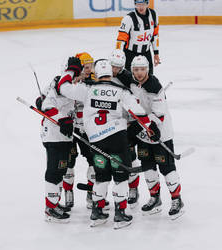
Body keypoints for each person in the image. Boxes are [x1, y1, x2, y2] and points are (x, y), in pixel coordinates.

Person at [56, 57, 154, 229]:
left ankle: (97, 212)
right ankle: (121, 213)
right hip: (117, 139)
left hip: (95, 141)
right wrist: (150, 128)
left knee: (101, 176)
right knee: (121, 176)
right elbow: (138, 112)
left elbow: (63, 88)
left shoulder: (87, 89)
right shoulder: (122, 91)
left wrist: (70, 71)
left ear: (97, 72)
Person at [129, 55, 184, 219]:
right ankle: (155, 198)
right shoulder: (132, 83)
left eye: (142, 69)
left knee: (166, 167)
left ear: (148, 69)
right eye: (136, 70)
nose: (139, 73)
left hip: (161, 133)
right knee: (148, 166)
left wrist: (147, 125)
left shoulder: (154, 86)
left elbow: (159, 114)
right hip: (144, 134)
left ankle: (177, 200)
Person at [38, 75, 77, 223]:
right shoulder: (58, 83)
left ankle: (53, 204)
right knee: (54, 171)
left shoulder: (72, 85)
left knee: (61, 169)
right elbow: (45, 102)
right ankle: (50, 209)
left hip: (63, 137)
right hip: (54, 136)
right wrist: (62, 118)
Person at [62, 52, 97, 209]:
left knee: (95, 162)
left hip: (88, 130)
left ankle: (92, 193)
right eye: (86, 66)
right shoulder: (69, 84)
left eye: (91, 65)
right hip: (71, 129)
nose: (90, 69)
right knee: (69, 163)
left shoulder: (96, 82)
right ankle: (68, 192)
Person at [109, 49, 141, 209]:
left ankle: (133, 188)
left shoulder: (128, 79)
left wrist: (131, 120)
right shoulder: (102, 75)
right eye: (113, 66)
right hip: (109, 126)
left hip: (125, 124)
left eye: (119, 68)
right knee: (114, 159)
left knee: (131, 157)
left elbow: (136, 100)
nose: (115, 70)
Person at [116, 0, 160, 74]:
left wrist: (156, 53)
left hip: (146, 52)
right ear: (135, 5)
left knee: (149, 77)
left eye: (142, 4)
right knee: (129, 79)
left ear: (147, 4)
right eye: (138, 4)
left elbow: (155, 35)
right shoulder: (128, 18)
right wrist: (118, 55)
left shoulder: (153, 14)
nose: (140, 7)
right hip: (130, 54)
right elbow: (121, 40)